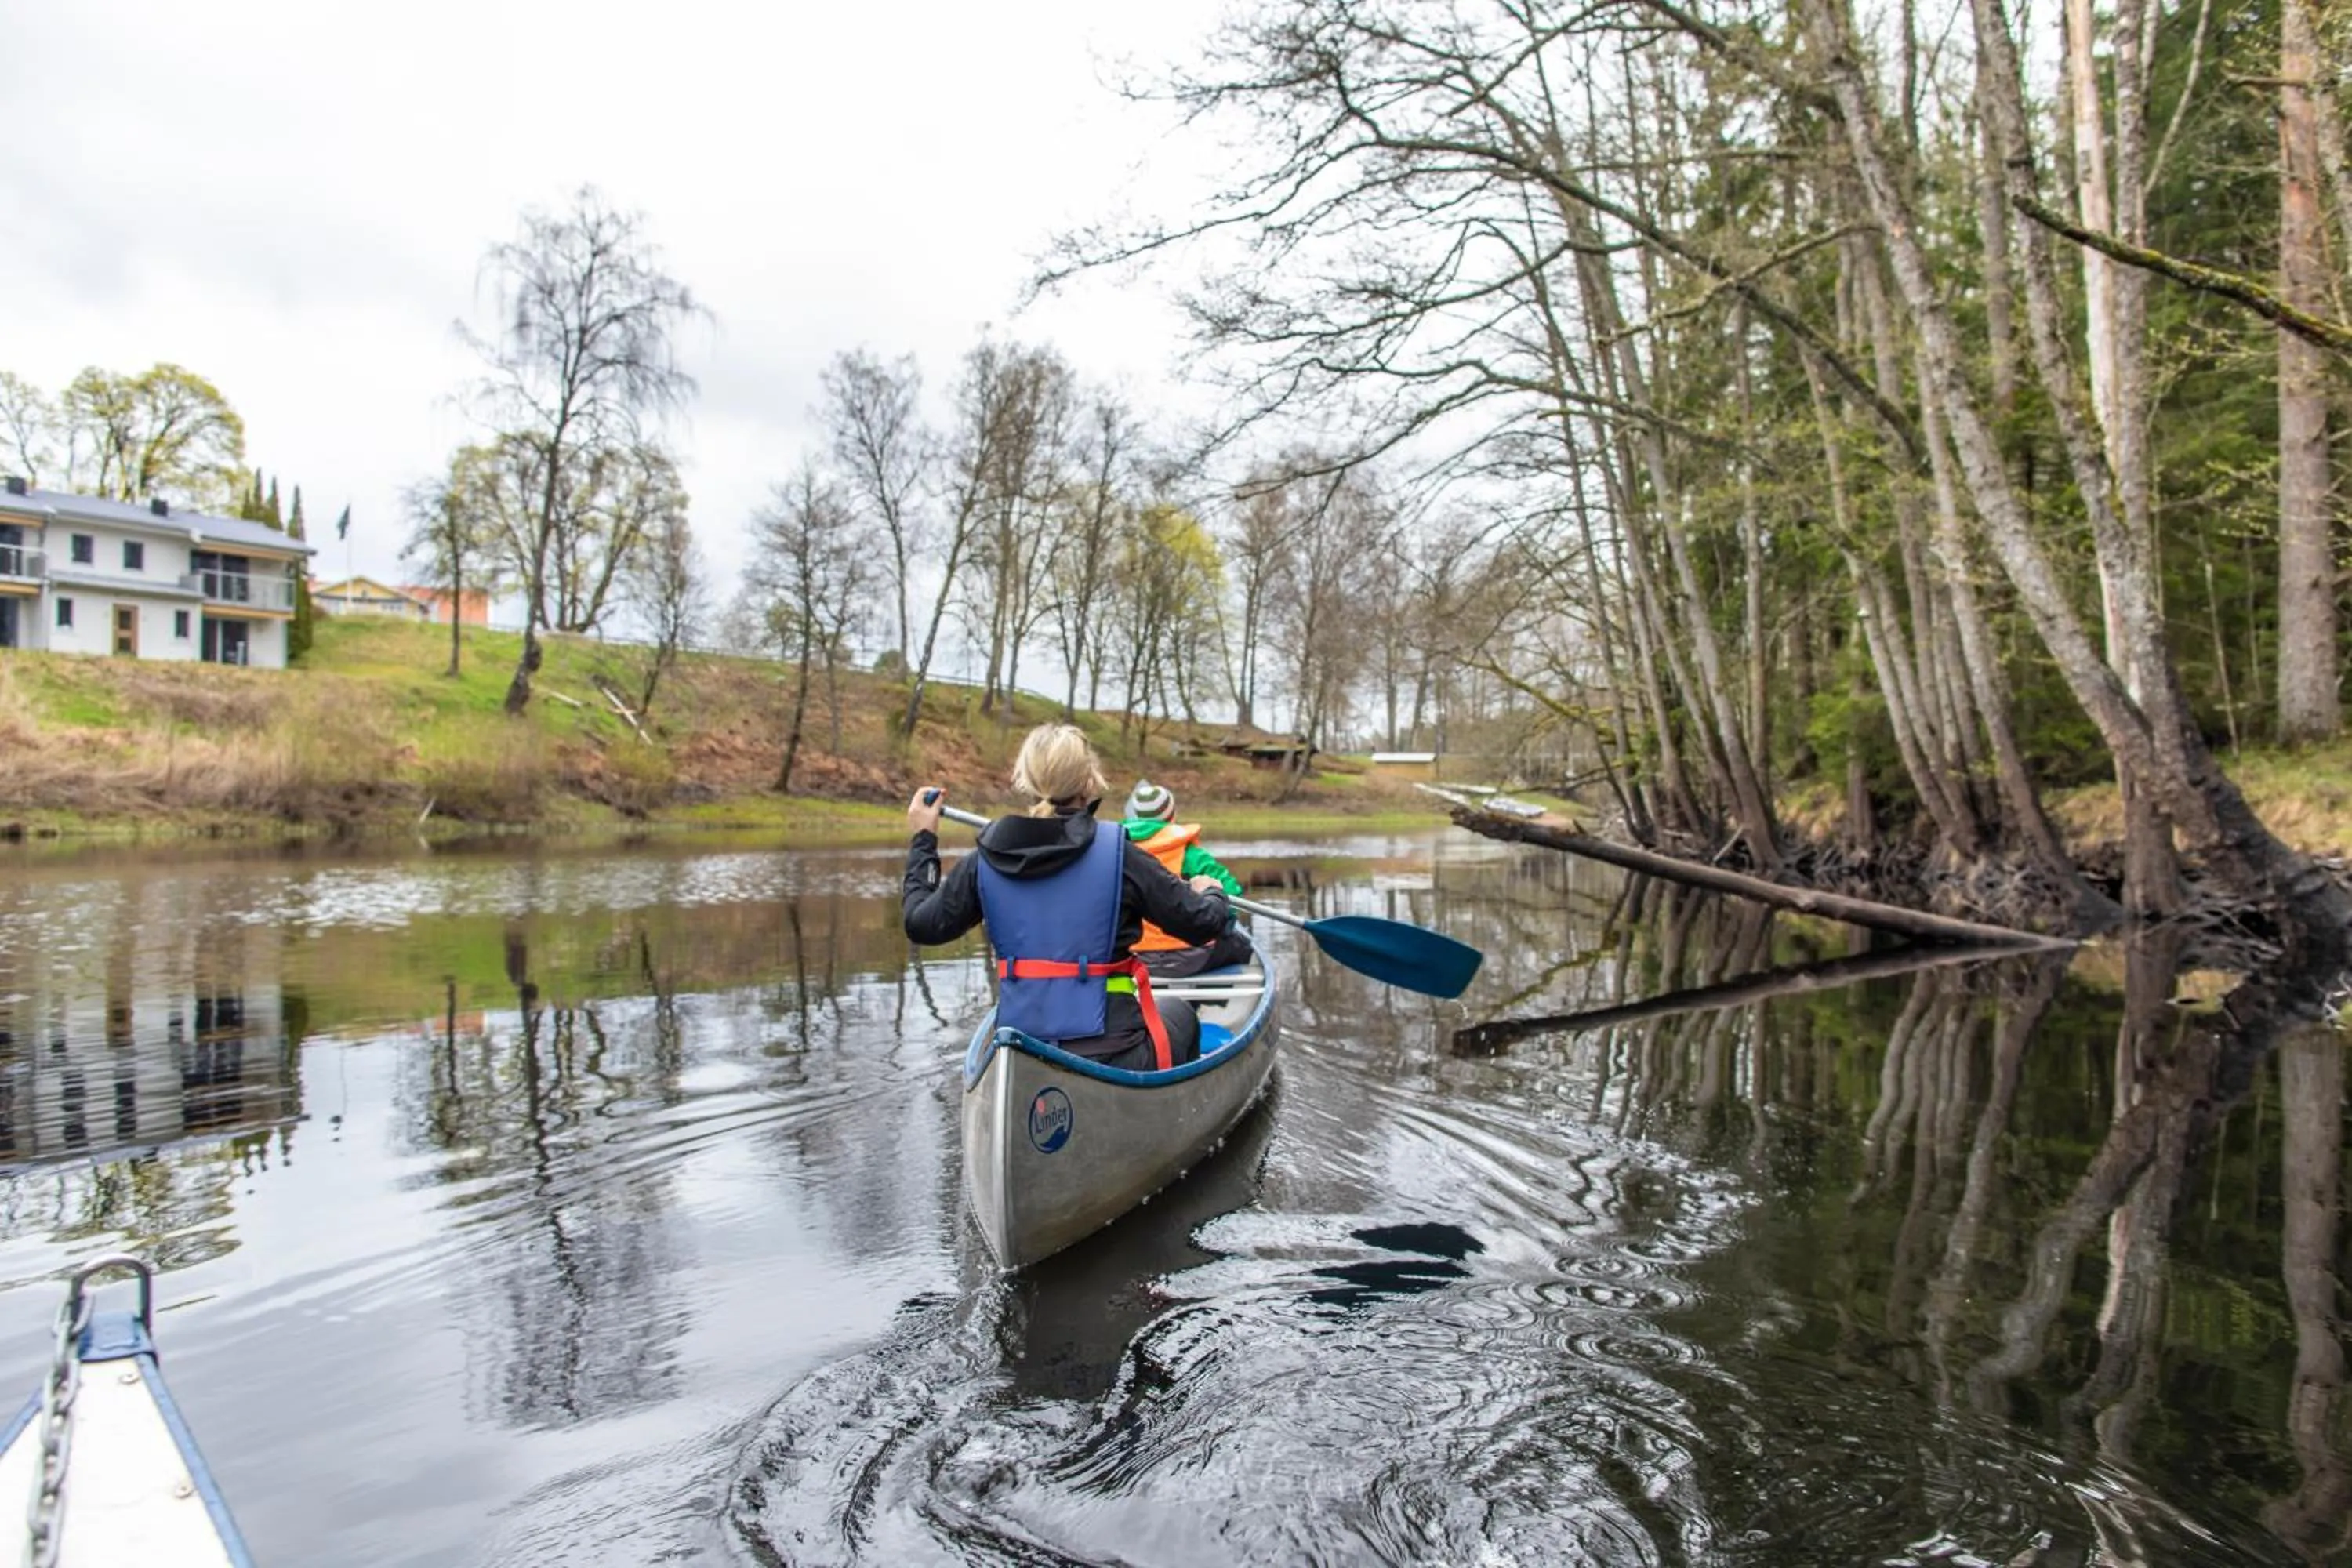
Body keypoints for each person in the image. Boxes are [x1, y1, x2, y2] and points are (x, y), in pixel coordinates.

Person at [902, 724, 1239, 1073]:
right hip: (1115, 1051)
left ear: (1026, 781)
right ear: (1090, 781)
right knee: (1181, 1015)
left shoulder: (983, 861)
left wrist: (924, 839)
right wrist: (1210, 890)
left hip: (1023, 1049)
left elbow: (921, 924)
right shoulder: (1120, 856)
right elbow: (1203, 925)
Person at [1121, 779, 1256, 978]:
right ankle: (1206, 1004)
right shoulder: (1191, 855)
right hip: (1193, 958)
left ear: (1134, 814)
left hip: (1132, 957)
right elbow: (1232, 894)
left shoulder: (1116, 850)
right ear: (1172, 816)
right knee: (1242, 946)